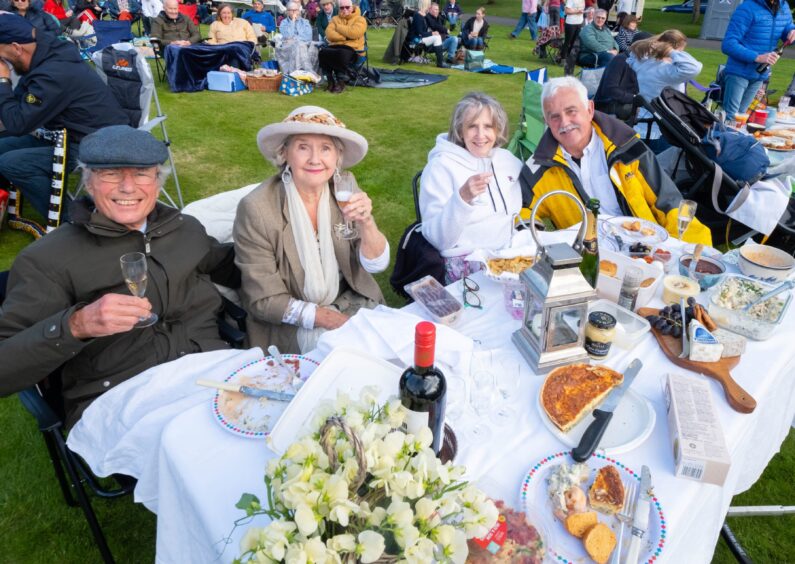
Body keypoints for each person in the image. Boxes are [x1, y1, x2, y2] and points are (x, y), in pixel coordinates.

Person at [0, 125, 240, 428]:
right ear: (89, 183)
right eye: (111, 174)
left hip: (214, 370)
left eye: (141, 174)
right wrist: (76, 326)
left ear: (157, 181)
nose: (128, 187)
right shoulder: (49, 258)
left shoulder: (184, 229)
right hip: (124, 397)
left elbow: (231, 266)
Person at [234, 106, 387, 354]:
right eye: (303, 147)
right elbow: (263, 300)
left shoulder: (344, 190)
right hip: (290, 326)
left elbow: (376, 265)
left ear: (337, 157)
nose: (315, 159)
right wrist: (331, 320)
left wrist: (367, 223)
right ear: (284, 154)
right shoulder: (256, 209)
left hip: (350, 303)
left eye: (325, 148)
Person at [521, 77, 712, 245]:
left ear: (589, 109)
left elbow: (668, 201)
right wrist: (537, 243)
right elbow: (521, 215)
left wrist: (693, 254)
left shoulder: (627, 146)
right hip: (585, 258)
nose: (564, 123)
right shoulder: (538, 168)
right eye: (554, 117)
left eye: (571, 111)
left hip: (643, 249)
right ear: (546, 121)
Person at [0, 14, 128, 224]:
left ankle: (75, 223)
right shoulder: (44, 51)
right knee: (2, 147)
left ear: (16, 47)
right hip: (66, 132)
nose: (3, 62)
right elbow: (18, 103)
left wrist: (2, 80)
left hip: (98, 142)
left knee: (12, 163)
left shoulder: (53, 72)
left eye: (2, 57)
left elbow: (17, 123)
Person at [419, 92, 523, 282]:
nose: (481, 135)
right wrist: (462, 198)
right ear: (460, 130)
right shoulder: (440, 167)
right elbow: (437, 239)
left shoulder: (507, 161)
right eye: (472, 126)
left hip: (509, 253)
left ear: (498, 129)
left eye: (488, 127)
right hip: (464, 261)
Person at [629, 30, 702, 151]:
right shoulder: (668, 71)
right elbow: (694, 67)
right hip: (665, 130)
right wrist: (671, 51)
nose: (681, 54)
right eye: (680, 51)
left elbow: (632, 56)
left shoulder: (643, 62)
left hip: (640, 125)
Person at [721, 0, 795, 119]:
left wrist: (791, 31)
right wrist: (757, 57)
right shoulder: (747, 8)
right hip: (739, 72)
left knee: (742, 117)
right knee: (731, 118)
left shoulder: (783, 6)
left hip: (760, 74)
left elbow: (787, 27)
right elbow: (728, 44)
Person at [318, 0, 366, 93]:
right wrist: (346, 37)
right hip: (336, 46)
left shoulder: (360, 19)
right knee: (322, 53)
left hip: (354, 49)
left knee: (341, 54)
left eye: (347, 7)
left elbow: (354, 33)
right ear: (339, 8)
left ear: (352, 7)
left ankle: (341, 83)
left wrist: (338, 28)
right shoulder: (335, 19)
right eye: (342, 7)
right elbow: (329, 34)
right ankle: (330, 81)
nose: (345, 9)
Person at [276, 1, 319, 74]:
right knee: (297, 47)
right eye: (291, 10)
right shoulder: (284, 23)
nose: (294, 12)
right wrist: (292, 21)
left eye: (296, 10)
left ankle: (296, 73)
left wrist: (294, 39)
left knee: (299, 46)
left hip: (304, 45)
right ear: (287, 11)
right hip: (287, 47)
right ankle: (307, 72)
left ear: (299, 11)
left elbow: (308, 37)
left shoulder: (305, 22)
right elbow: (287, 35)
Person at [407, 0, 448, 68]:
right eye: (429, 4)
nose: (429, 6)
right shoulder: (418, 15)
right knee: (437, 37)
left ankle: (440, 62)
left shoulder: (424, 15)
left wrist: (433, 32)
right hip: (416, 39)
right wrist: (432, 33)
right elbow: (420, 33)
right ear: (425, 5)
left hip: (422, 37)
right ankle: (440, 63)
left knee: (437, 36)